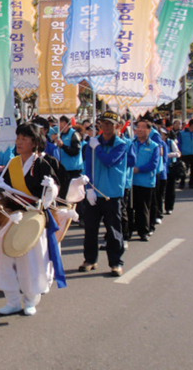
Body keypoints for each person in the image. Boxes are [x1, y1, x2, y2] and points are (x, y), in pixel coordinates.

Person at [0, 123, 62, 316]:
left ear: (34, 142)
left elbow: (53, 190)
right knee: (5, 256)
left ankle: (31, 299)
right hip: (13, 216)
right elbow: (4, 186)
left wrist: (51, 189)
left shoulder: (41, 163)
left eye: (24, 139)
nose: (20, 142)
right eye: (18, 138)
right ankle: (12, 300)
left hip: (33, 218)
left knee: (31, 260)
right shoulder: (13, 163)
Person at [80, 112, 128, 276]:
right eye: (103, 124)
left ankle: (116, 262)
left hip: (112, 193)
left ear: (117, 126)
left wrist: (97, 148)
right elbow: (89, 166)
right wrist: (89, 188)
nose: (106, 127)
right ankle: (90, 259)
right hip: (95, 192)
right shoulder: (92, 144)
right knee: (90, 229)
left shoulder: (121, 144)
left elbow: (109, 161)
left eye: (110, 124)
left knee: (113, 230)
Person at [131, 119, 161, 241]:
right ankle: (132, 228)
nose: (140, 130)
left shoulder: (154, 146)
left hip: (146, 182)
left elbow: (154, 164)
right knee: (131, 207)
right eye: (138, 127)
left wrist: (139, 169)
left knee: (143, 207)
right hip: (131, 181)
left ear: (149, 130)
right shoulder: (132, 144)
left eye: (143, 127)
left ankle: (144, 231)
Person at [54, 115, 84, 180]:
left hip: (74, 169)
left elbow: (75, 151)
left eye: (61, 123)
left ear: (66, 124)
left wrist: (63, 146)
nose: (59, 126)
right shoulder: (61, 134)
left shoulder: (74, 134)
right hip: (64, 168)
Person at [178, 118, 193, 189]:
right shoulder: (182, 133)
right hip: (185, 153)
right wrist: (180, 150)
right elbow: (179, 143)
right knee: (184, 169)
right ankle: (182, 183)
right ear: (191, 125)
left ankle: (192, 183)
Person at [164, 128, 182, 215]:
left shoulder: (170, 142)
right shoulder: (158, 143)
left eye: (163, 134)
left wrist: (168, 155)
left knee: (170, 189)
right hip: (162, 169)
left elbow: (178, 153)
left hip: (170, 168)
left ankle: (169, 207)